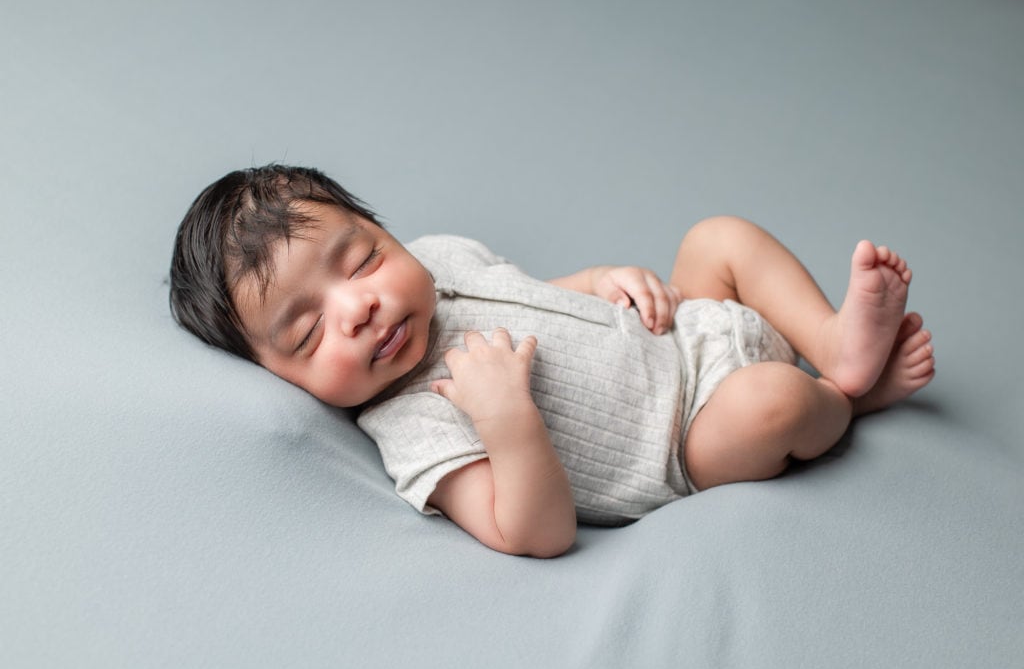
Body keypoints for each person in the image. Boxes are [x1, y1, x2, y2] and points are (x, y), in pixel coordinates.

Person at [169, 164, 935, 558]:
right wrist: (507, 420)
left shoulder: (437, 258)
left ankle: (834, 337)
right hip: (689, 439)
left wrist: (603, 282)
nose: (358, 307)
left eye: (363, 259)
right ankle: (844, 395)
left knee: (716, 238)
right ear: (283, 377)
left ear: (385, 229)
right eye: (308, 335)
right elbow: (533, 531)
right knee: (772, 401)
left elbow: (529, 291)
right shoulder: (411, 422)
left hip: (681, 331)